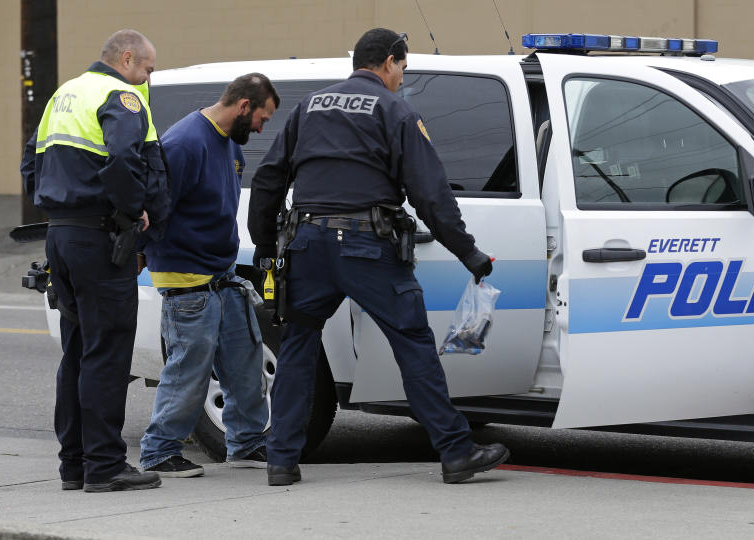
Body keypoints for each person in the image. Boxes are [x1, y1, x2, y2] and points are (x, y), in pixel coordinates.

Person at [248, 28, 508, 485]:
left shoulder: (309, 106)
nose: (402, 79)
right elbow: (431, 195)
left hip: (306, 244)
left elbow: (269, 178)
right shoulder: (396, 111)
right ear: (388, 61)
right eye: (403, 69)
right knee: (412, 341)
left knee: (297, 346)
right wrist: (469, 253)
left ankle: (281, 461)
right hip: (367, 247)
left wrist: (267, 248)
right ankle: (455, 451)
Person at [20, 29, 169, 492]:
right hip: (100, 241)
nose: (148, 78)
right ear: (127, 59)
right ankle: (105, 466)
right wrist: (133, 214)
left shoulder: (64, 93)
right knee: (107, 352)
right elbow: (125, 158)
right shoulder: (119, 96)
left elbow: (30, 162)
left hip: (62, 237)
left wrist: (56, 207)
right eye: (147, 69)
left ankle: (75, 465)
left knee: (78, 351)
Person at [138, 74, 279, 477]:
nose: (261, 128)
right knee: (189, 371)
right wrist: (144, 257)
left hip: (223, 275)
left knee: (247, 364)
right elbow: (154, 209)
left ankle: (248, 444)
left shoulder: (231, 144)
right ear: (244, 106)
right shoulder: (184, 143)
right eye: (262, 119)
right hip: (187, 283)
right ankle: (159, 452)